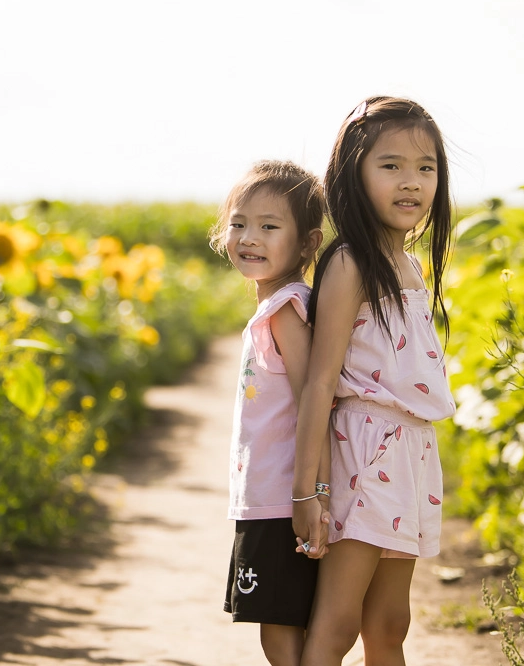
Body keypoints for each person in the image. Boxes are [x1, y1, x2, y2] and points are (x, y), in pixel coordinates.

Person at [292, 96, 456, 666]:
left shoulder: (408, 262)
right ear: (353, 175)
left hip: (408, 455)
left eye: (425, 167)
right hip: (363, 452)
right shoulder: (352, 262)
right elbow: (319, 383)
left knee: (390, 624)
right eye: (390, 166)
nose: (411, 182)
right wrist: (306, 490)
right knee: (337, 624)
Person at [211, 160, 329, 666]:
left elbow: (313, 398)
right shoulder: (278, 306)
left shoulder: (285, 308)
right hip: (272, 498)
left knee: (280, 632)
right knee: (281, 630)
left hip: (283, 502)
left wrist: (315, 493)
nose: (249, 237)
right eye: (239, 223)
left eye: (269, 226)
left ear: (307, 244)